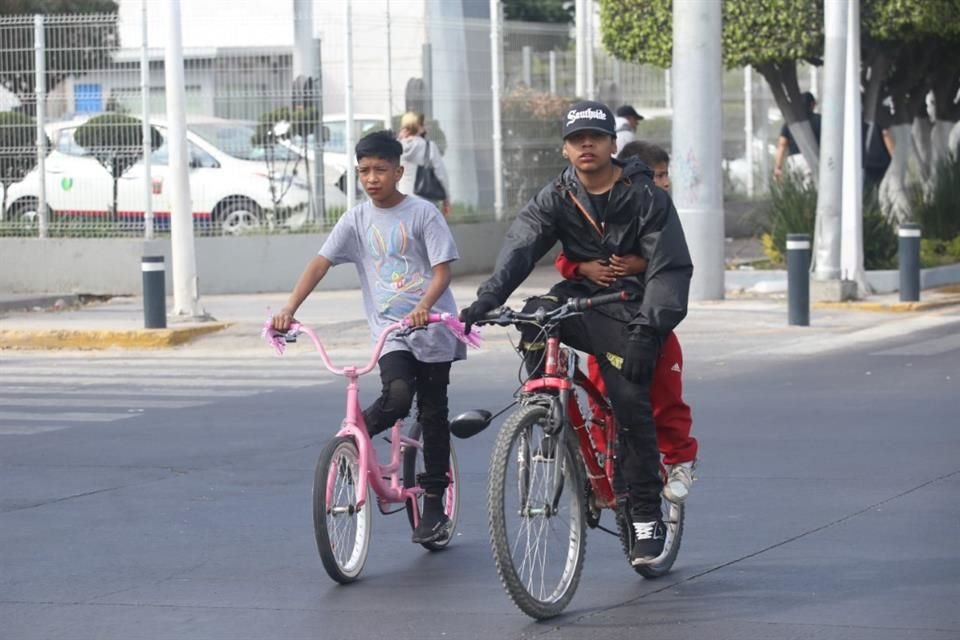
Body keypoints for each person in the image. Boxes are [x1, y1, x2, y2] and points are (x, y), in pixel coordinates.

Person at [460, 101, 692, 565]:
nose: (586, 144)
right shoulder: (557, 194)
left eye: (595, 136)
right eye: (575, 138)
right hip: (578, 297)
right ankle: (545, 404)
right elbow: (522, 245)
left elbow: (670, 269)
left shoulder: (646, 196)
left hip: (628, 307)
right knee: (530, 317)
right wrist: (486, 299)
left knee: (630, 401)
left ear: (612, 144)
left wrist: (649, 329)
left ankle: (645, 513)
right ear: (565, 149)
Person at [272, 130, 465, 545]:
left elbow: (443, 271)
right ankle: (354, 446)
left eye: (380, 170)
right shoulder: (356, 220)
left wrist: (426, 307)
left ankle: (433, 504)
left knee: (432, 412)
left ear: (399, 170)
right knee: (397, 396)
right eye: (364, 171)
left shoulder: (423, 214)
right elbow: (320, 264)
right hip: (390, 333)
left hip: (433, 330)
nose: (372, 178)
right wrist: (290, 309)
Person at [553, 140, 697, 504]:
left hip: (650, 324)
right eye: (657, 175)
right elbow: (566, 257)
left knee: (664, 398)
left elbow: (671, 264)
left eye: (664, 176)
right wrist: (582, 267)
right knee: (603, 400)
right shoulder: (593, 207)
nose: (662, 183)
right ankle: (606, 465)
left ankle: (680, 459)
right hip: (605, 322)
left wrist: (641, 264)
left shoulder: (657, 209)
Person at [397, 111, 451, 217]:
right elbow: (441, 175)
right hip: (426, 201)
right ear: (419, 127)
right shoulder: (429, 146)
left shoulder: (396, 147)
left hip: (401, 200)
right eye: (423, 124)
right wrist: (447, 198)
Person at [773, 91, 821, 181]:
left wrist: (778, 167)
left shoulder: (791, 121)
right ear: (812, 104)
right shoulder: (820, 120)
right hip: (813, 157)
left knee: (797, 189)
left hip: (794, 160)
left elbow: (782, 145)